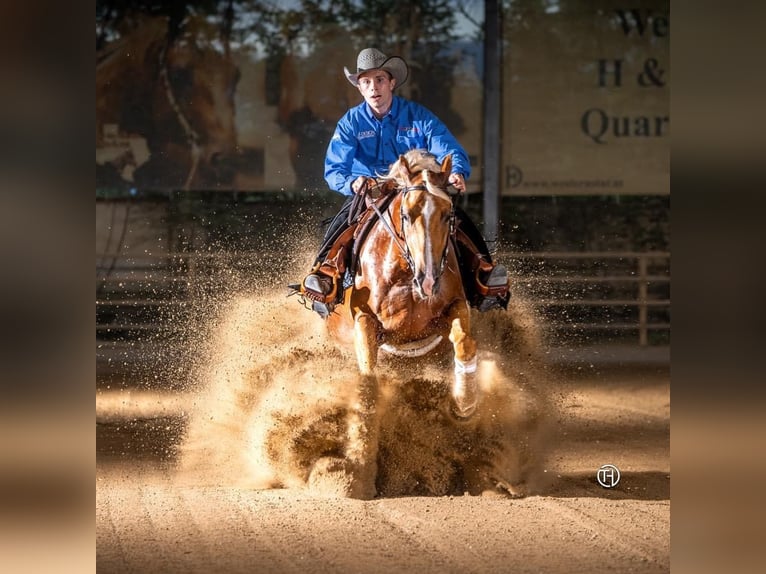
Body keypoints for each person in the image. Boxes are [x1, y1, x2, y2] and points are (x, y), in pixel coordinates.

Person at [299, 47, 509, 317]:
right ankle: (326, 277)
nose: (373, 87)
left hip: (417, 188)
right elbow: (334, 169)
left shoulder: (418, 116)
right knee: (344, 225)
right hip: (371, 192)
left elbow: (448, 148)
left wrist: (455, 170)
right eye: (366, 82)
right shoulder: (350, 122)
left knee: (455, 221)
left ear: (391, 83)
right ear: (360, 88)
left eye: (379, 80)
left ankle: (484, 277)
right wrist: (352, 183)